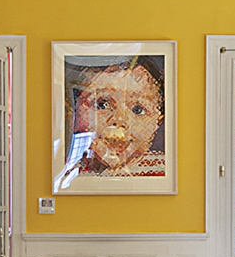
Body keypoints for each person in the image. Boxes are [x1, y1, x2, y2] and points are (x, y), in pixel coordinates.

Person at [59, 54, 167, 184]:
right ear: (72, 110)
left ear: (158, 121)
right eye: (102, 104)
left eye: (138, 110)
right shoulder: (61, 169)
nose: (119, 120)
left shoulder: (160, 174)